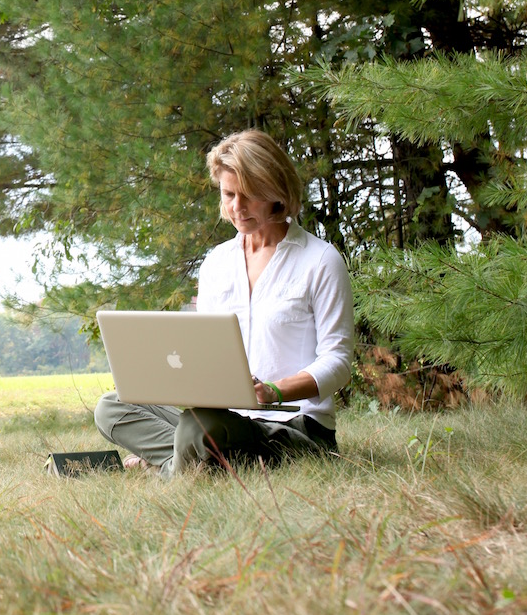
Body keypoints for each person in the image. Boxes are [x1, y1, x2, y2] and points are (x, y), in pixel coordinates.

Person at [94, 129, 354, 476]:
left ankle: (168, 468)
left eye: (249, 195)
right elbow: (202, 351)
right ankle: (192, 460)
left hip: (296, 427)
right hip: (223, 418)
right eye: (229, 194)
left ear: (276, 190)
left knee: (198, 427)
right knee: (111, 407)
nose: (237, 207)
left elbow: (338, 363)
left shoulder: (320, 260)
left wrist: (273, 391)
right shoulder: (217, 263)